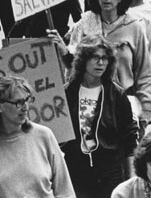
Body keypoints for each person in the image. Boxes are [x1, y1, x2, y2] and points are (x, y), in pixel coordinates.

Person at [67, 0, 151, 127]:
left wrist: (147, 108)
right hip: (88, 104)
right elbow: (71, 69)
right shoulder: (84, 24)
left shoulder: (134, 27)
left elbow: (144, 72)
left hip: (123, 105)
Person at [54, 35, 138, 198]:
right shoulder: (67, 93)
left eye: (105, 58)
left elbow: (129, 139)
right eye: (95, 57)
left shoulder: (116, 94)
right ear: (83, 60)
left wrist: (132, 179)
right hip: (76, 172)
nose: (101, 63)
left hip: (110, 173)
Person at [0, 76, 75, 198]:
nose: (26, 107)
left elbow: (65, 192)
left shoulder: (44, 136)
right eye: (19, 102)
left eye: (27, 100)